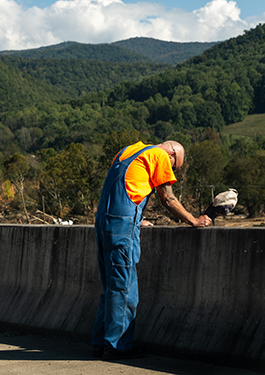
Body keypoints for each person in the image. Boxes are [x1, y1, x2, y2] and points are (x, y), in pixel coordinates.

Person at [91, 140, 212, 360]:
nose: (171, 169)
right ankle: (116, 346)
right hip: (121, 225)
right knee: (125, 290)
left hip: (103, 221)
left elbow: (125, 187)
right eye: (174, 167)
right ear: (172, 154)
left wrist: (139, 219)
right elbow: (167, 197)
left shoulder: (129, 150)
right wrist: (193, 220)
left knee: (110, 287)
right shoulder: (159, 156)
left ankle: (100, 343)